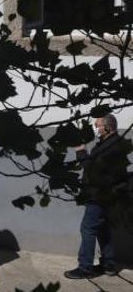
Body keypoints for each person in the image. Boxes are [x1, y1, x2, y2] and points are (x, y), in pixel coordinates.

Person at [64, 114, 131, 279]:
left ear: (108, 127)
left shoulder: (111, 147)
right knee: (102, 229)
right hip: (107, 195)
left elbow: (93, 170)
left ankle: (85, 267)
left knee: (87, 228)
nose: (95, 128)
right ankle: (109, 264)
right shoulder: (112, 143)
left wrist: (80, 152)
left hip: (100, 195)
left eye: (98, 125)